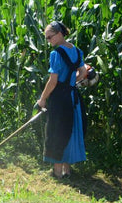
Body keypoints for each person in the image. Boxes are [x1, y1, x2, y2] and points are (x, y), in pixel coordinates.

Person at [36, 21, 87, 179]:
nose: (48, 41)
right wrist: (71, 83)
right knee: (70, 130)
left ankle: (57, 172)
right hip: (73, 97)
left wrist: (42, 99)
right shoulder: (77, 51)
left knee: (57, 131)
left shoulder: (56, 54)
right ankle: (67, 170)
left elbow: (52, 81)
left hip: (59, 99)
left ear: (59, 34)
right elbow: (83, 72)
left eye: (50, 37)